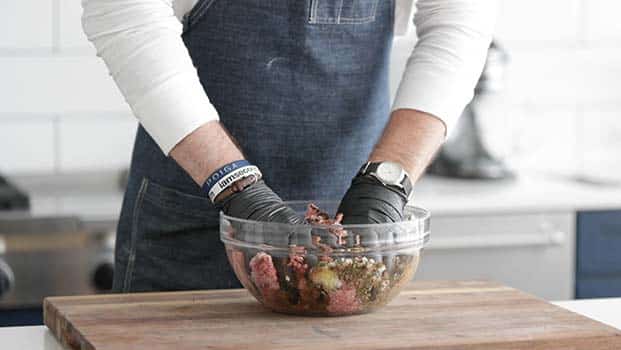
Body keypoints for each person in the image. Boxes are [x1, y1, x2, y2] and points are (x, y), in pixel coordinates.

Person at [81, 0, 497, 292]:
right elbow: (124, 11)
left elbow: (459, 21)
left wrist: (386, 183)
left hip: (351, 237)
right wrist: (237, 187)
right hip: (192, 221)